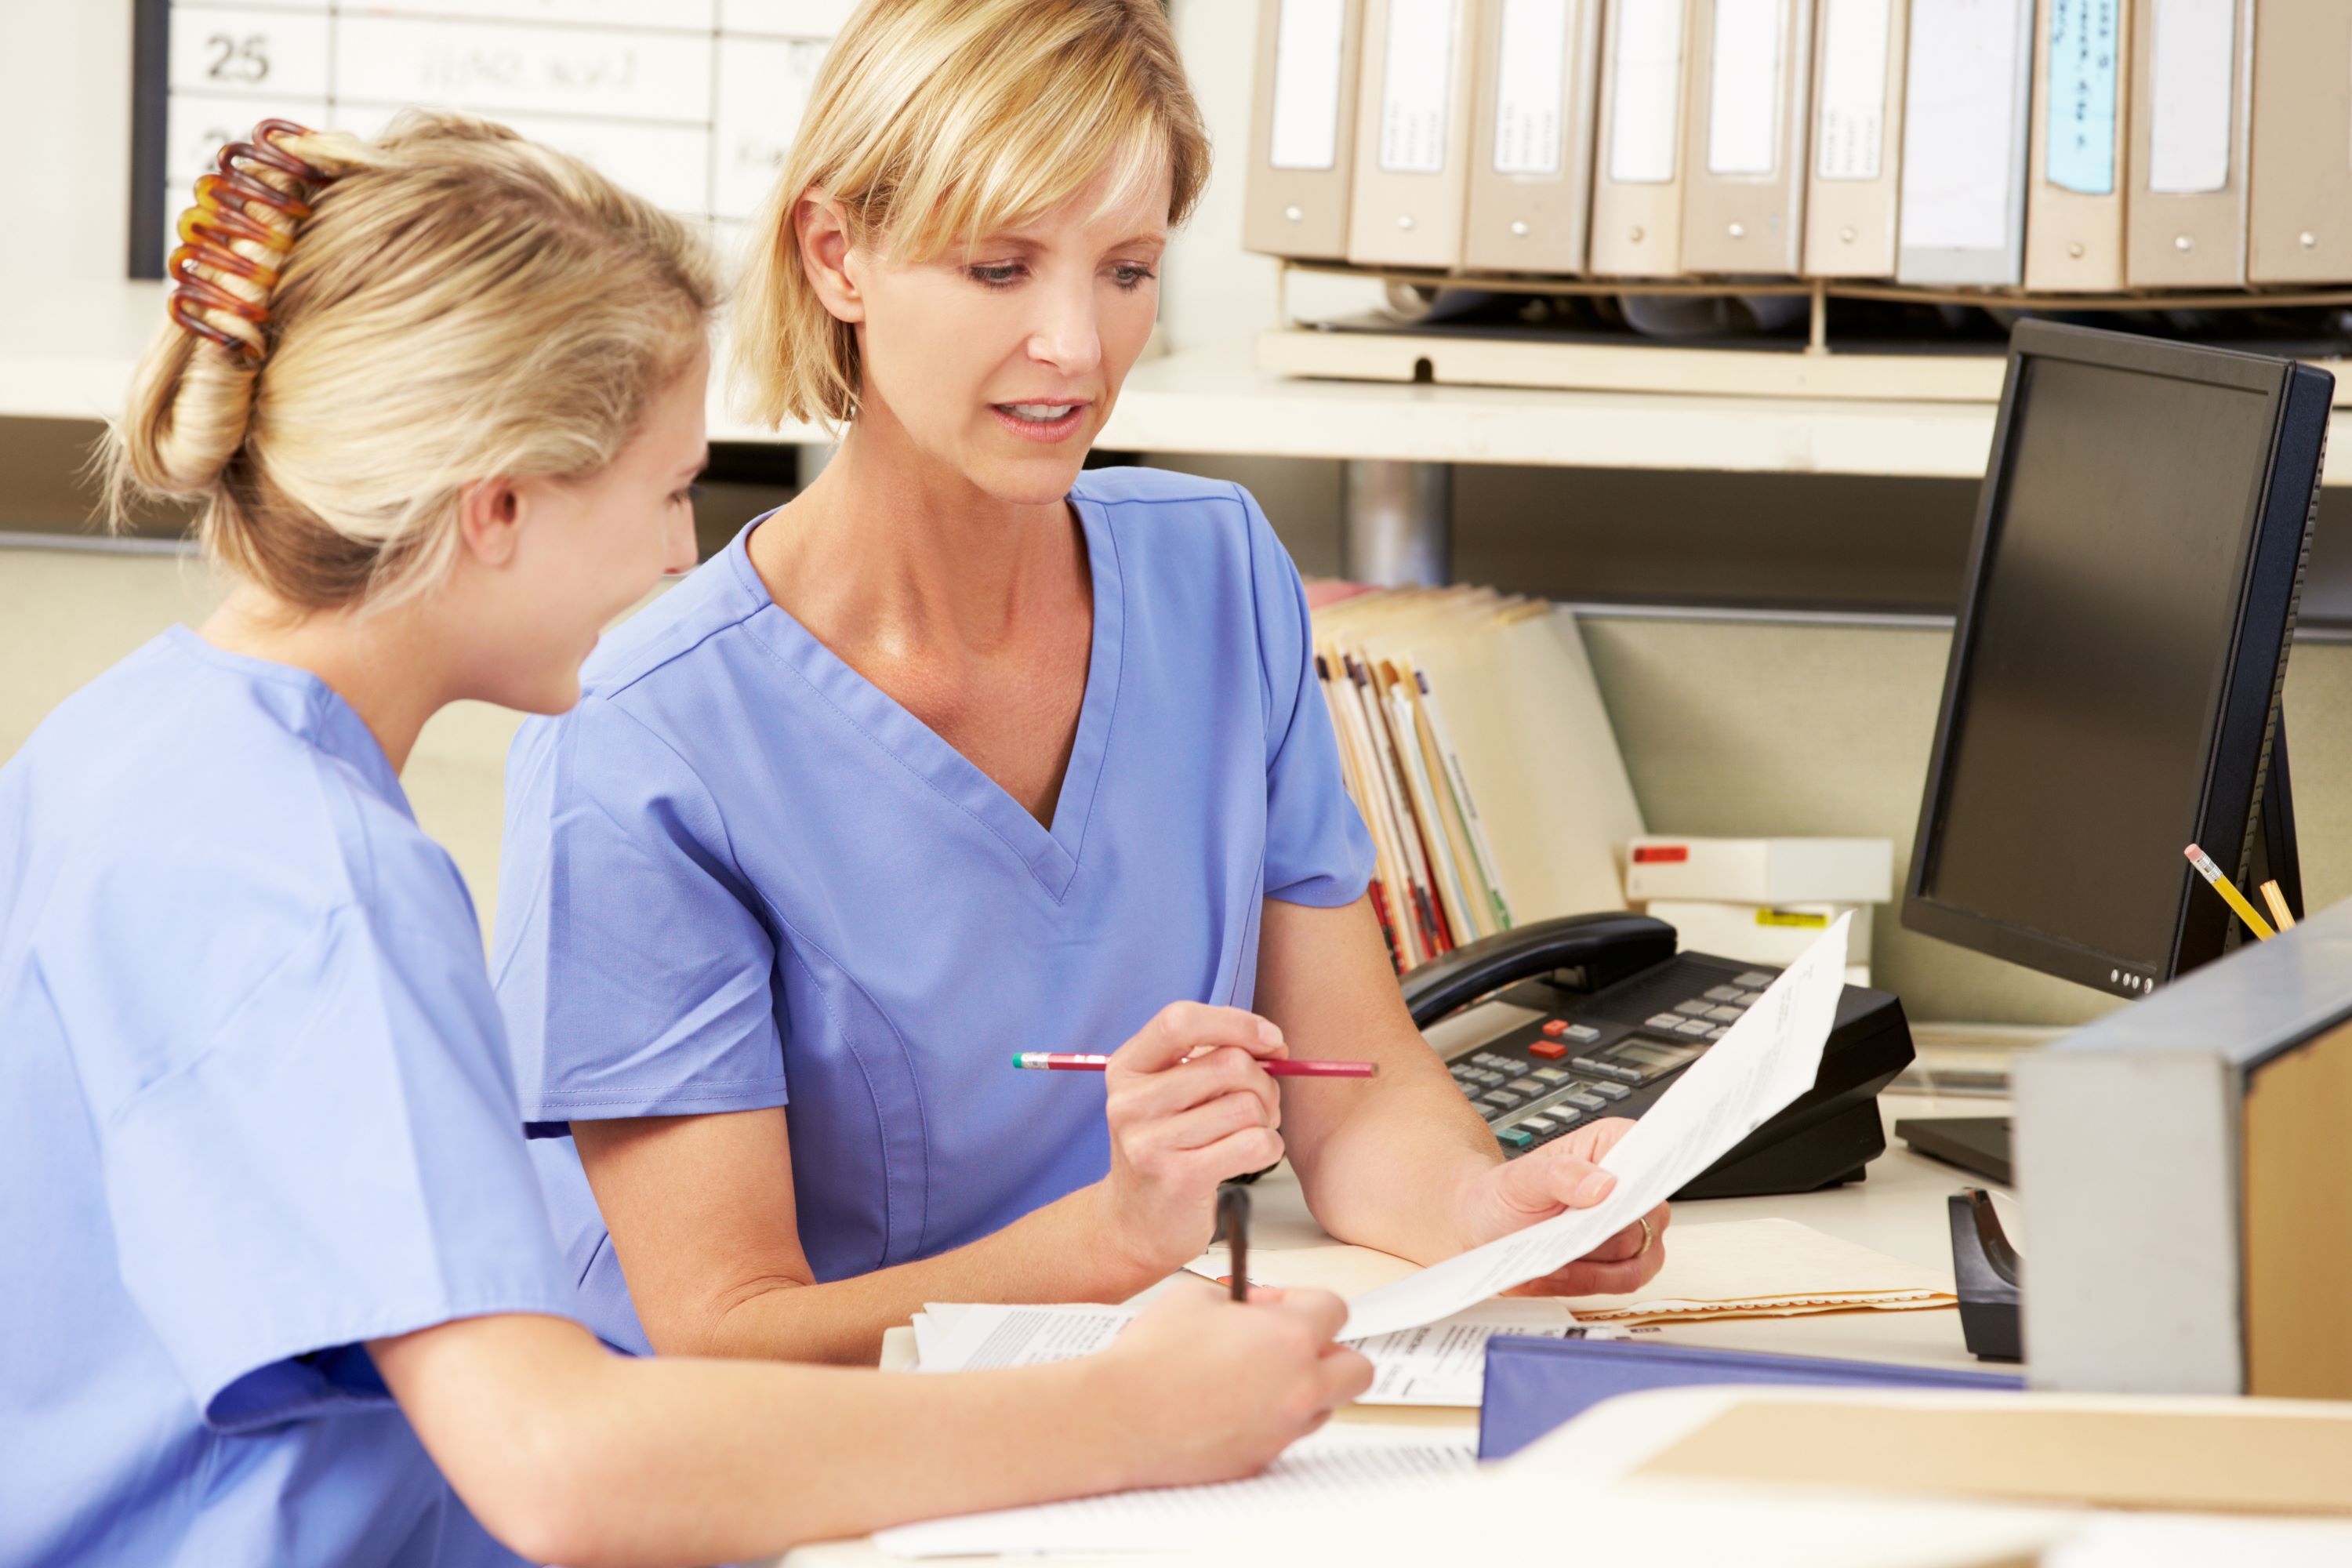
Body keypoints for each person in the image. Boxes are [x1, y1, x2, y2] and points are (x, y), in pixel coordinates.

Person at [0, 114, 1369, 1568]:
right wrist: (1131, 1418)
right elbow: (561, 1468)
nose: (678, 554)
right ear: (499, 507)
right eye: (667, 491)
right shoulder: (323, 883)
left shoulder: (124, 742)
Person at [494, 0, 1671, 1371]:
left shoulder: (1217, 572)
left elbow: (1351, 1094)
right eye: (1001, 268)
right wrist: (1115, 1238)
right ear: (838, 255)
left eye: (1126, 270)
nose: (1077, 344)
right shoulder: (642, 739)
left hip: (1114, 1387)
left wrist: (1489, 1214)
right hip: (802, 1451)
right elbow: (727, 1336)